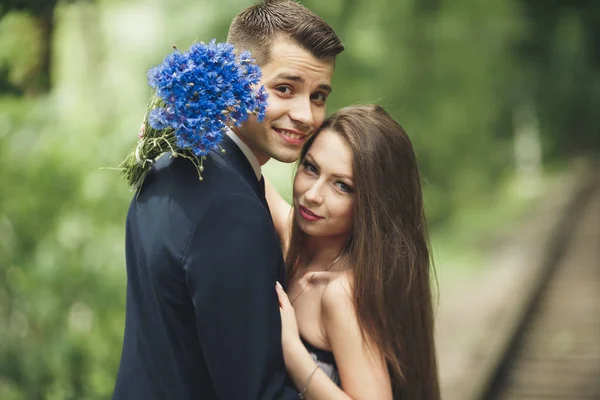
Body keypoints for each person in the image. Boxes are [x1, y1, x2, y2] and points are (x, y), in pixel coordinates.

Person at [111, 1, 343, 399]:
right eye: (284, 89)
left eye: (319, 96)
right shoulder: (229, 208)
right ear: (236, 80)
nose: (305, 114)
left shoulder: (172, 164)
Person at [265, 105, 441, 399]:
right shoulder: (297, 243)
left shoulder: (341, 294)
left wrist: (292, 353)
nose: (312, 194)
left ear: (372, 204)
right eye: (311, 168)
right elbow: (248, 171)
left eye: (342, 186)